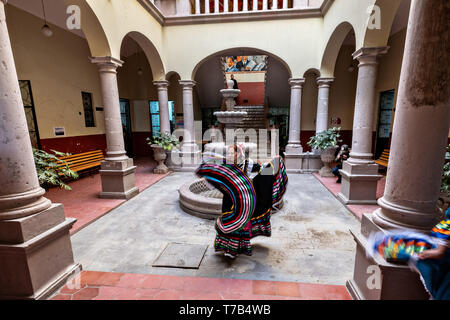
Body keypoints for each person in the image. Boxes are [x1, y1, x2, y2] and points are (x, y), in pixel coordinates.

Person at [196, 145, 288, 259]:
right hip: (228, 200)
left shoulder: (247, 164)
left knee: (241, 223)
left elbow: (261, 171)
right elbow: (217, 177)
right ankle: (227, 247)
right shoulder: (226, 166)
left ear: (238, 154)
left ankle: (234, 250)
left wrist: (269, 166)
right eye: (228, 153)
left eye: (231, 153)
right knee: (229, 221)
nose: (229, 155)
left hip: (243, 201)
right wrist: (207, 172)